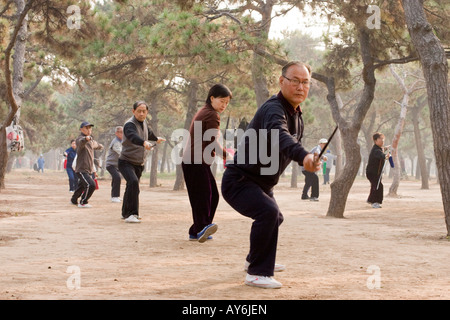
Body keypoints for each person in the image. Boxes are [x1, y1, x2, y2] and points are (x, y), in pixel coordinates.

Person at [221, 61, 321, 289]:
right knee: (268, 212)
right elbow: (280, 135)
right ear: (281, 81)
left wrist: (308, 159)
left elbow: (288, 145)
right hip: (240, 180)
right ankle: (257, 273)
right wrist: (304, 156)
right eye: (294, 80)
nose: (300, 86)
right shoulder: (274, 109)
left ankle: (253, 261)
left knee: (276, 218)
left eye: (305, 82)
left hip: (262, 184)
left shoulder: (296, 113)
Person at [182, 84, 233, 243]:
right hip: (195, 161)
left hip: (195, 161)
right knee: (205, 196)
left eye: (227, 103)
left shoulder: (206, 111)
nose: (224, 105)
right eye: (222, 101)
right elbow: (213, 143)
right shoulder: (211, 115)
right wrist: (228, 156)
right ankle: (202, 227)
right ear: (212, 98)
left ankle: (196, 230)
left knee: (209, 196)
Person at [118, 101, 165, 223]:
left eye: (144, 111)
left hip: (138, 163)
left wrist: (156, 138)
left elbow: (148, 133)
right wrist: (144, 143)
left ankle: (125, 213)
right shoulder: (129, 124)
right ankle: (132, 214)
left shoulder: (144, 123)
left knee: (132, 187)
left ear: (147, 112)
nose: (141, 113)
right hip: (126, 161)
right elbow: (133, 136)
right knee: (133, 183)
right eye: (139, 111)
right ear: (133, 111)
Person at [71, 121, 104, 208]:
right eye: (86, 128)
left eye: (90, 128)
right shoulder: (79, 139)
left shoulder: (91, 141)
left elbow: (96, 145)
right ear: (81, 129)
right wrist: (86, 139)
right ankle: (83, 202)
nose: (89, 130)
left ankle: (73, 199)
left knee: (81, 186)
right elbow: (81, 142)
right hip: (82, 169)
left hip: (89, 169)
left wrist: (101, 146)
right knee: (91, 185)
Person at [366, 132, 389, 209]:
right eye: (380, 139)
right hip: (372, 172)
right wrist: (385, 156)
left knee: (375, 185)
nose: (382, 141)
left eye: (383, 139)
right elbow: (381, 155)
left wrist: (386, 148)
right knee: (378, 186)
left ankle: (370, 200)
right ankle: (375, 202)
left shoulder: (378, 148)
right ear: (375, 141)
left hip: (375, 173)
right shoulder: (376, 150)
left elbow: (382, 150)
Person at [106, 126, 123, 203]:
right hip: (111, 164)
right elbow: (121, 153)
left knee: (116, 179)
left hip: (117, 165)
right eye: (120, 132)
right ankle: (115, 196)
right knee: (117, 178)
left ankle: (115, 196)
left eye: (123, 132)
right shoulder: (116, 142)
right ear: (116, 133)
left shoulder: (122, 141)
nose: (123, 133)